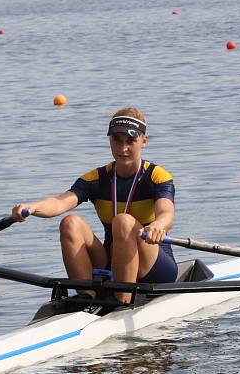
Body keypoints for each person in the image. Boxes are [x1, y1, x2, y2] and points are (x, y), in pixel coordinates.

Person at [11, 107, 176, 305]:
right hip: (113, 259)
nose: (123, 148)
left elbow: (166, 213)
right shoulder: (96, 178)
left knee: (123, 221)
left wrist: (159, 226)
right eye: (117, 139)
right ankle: (86, 297)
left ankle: (122, 301)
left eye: (130, 141)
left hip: (154, 264)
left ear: (144, 141)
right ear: (110, 140)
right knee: (70, 222)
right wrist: (33, 207)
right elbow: (60, 202)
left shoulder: (157, 176)